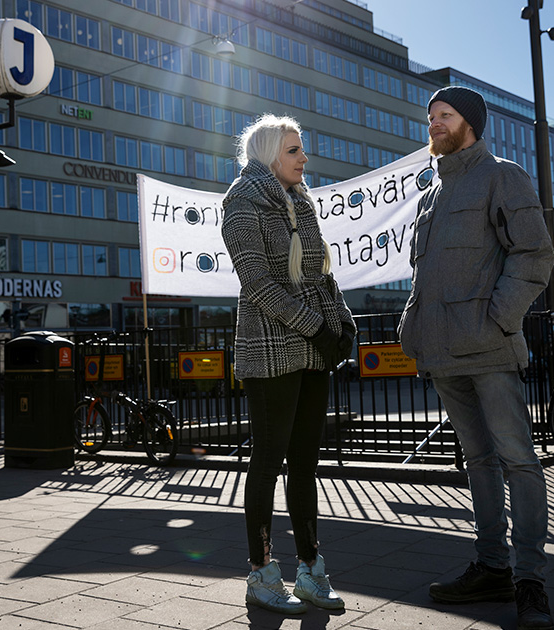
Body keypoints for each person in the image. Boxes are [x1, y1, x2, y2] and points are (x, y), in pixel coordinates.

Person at [397, 86, 554, 630]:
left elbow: (534, 254)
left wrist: (499, 317)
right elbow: (427, 275)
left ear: (472, 123)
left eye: (445, 115)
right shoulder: (429, 196)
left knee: (517, 460)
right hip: (441, 352)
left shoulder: (504, 176)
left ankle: (530, 580)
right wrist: (412, 326)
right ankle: (491, 566)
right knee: (479, 462)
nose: (435, 123)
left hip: (488, 347)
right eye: (431, 117)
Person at [221, 114, 356, 615]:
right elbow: (257, 283)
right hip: (272, 349)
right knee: (268, 461)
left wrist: (341, 323)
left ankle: (310, 572)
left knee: (304, 464)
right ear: (269, 153)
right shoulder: (242, 201)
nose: (304, 159)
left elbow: (323, 274)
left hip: (312, 351)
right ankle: (261, 574)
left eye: (302, 150)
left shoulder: (302, 202)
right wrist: (316, 327)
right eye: (295, 150)